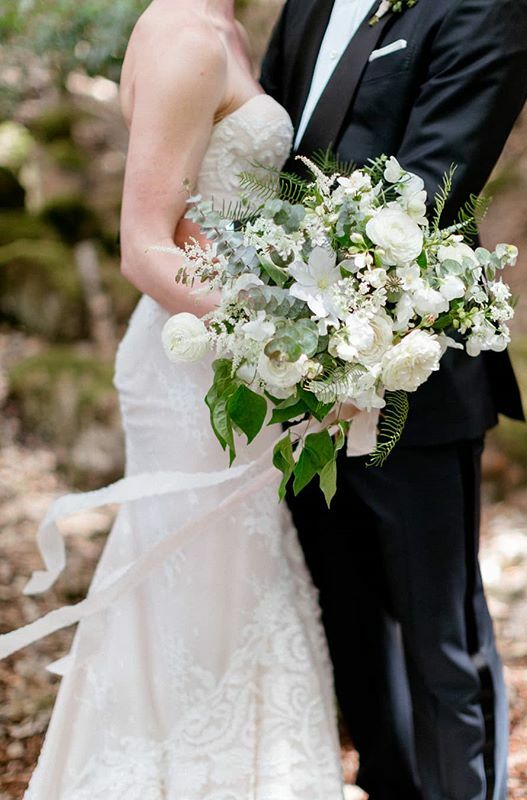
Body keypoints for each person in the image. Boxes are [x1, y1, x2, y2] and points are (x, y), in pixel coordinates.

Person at [1, 1, 344, 797]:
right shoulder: (186, 35)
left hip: (231, 363)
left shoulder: (227, 26)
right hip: (197, 372)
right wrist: (289, 336)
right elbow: (145, 243)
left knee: (235, 584)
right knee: (198, 592)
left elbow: (215, 211)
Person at [261, 1, 527, 798]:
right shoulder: (309, 2)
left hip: (413, 374)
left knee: (439, 643)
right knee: (348, 621)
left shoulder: (485, 10)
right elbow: (270, 148)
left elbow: (429, 188)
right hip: (283, 376)